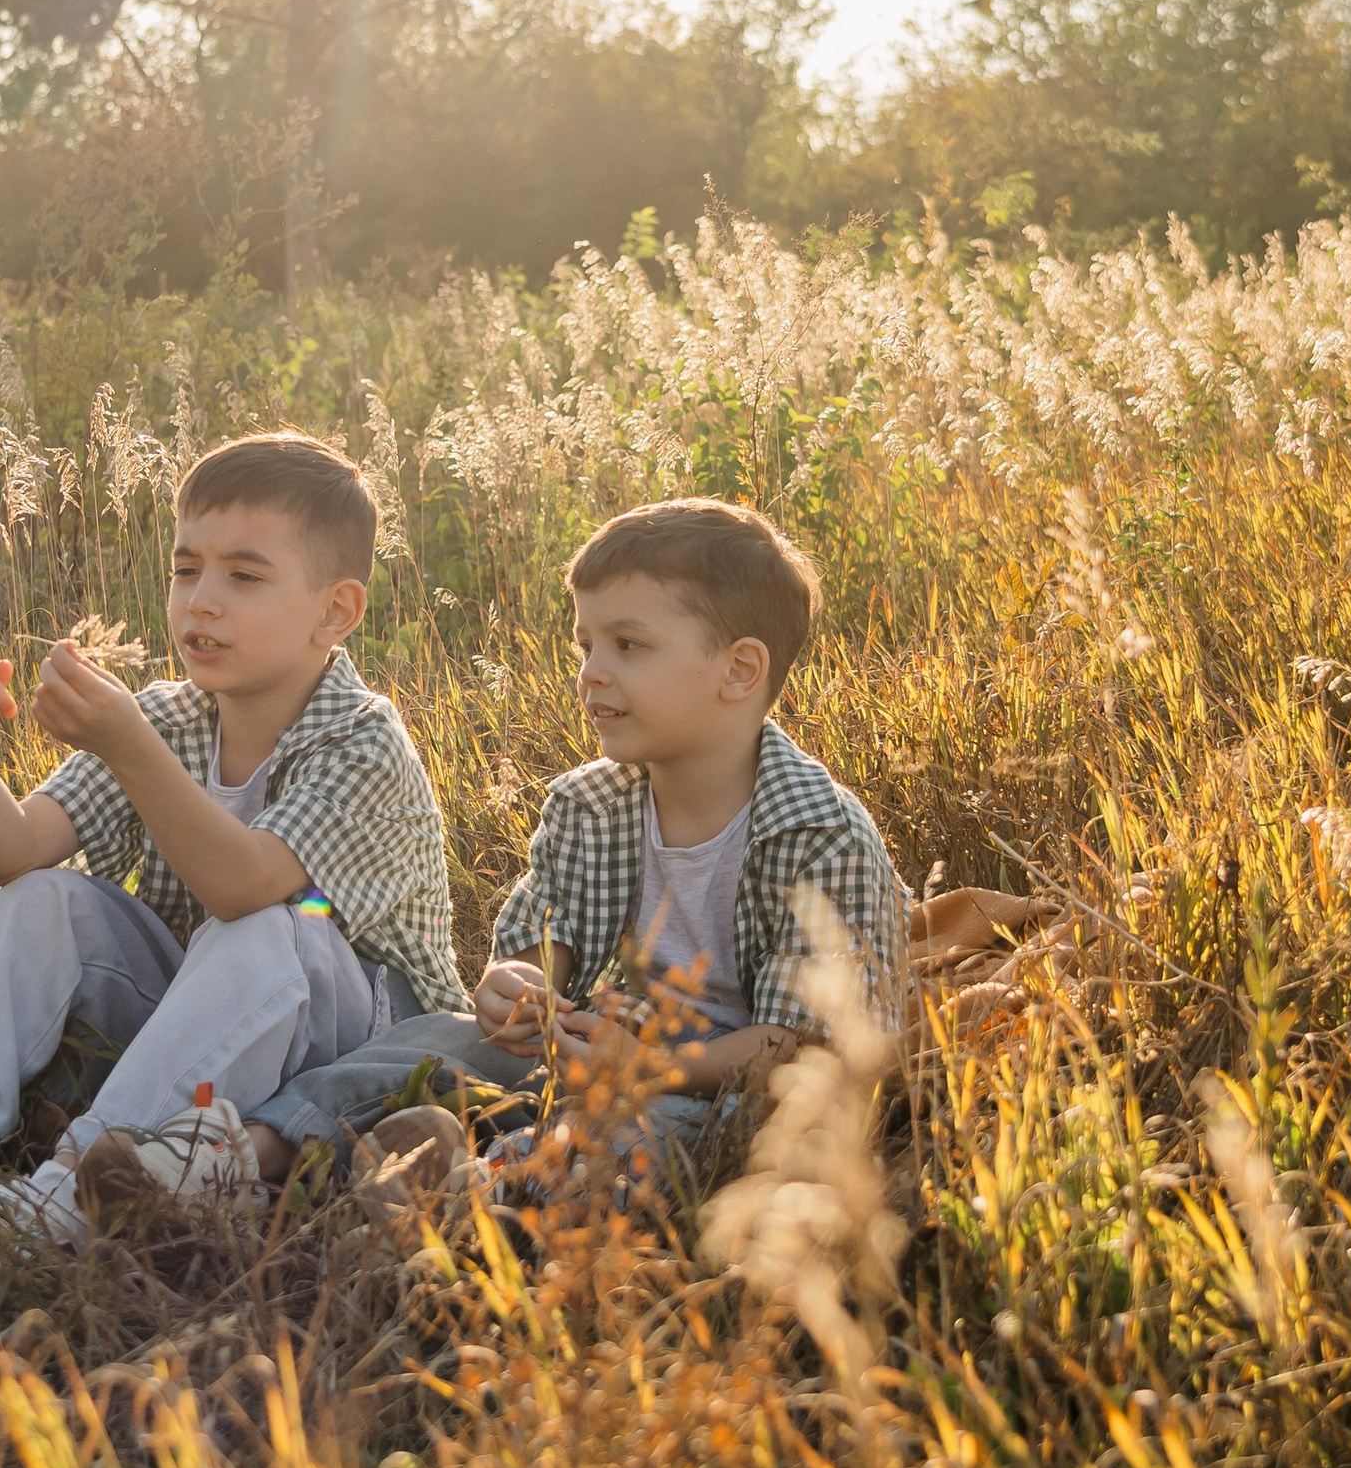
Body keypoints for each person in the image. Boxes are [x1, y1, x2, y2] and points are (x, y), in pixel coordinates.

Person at [0, 432, 464, 1283]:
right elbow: (16, 850)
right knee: (42, 900)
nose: (201, 602)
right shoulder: (170, 718)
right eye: (187, 570)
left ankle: (69, 1194)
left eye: (243, 577)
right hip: (204, 1026)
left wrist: (126, 744)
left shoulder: (364, 742)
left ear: (334, 611)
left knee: (275, 927)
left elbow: (242, 886)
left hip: (355, 1040)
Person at [255, 494, 905, 1175]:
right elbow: (543, 944)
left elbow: (796, 1048)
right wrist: (518, 989)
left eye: (629, 645)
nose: (591, 671)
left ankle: (473, 1191)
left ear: (739, 670)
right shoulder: (589, 804)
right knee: (429, 1040)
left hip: (714, 1084)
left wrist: (652, 1067)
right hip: (597, 1045)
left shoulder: (820, 836)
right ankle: (239, 1157)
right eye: (586, 644)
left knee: (636, 1138)